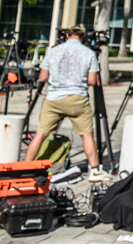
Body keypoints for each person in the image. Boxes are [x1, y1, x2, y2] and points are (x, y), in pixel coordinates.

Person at [24, 24, 111, 182]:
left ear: (67, 35)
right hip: (77, 98)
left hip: (54, 98)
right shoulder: (89, 53)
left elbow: (42, 77)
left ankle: (25, 167)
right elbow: (92, 81)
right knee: (87, 136)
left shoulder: (54, 51)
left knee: (40, 134)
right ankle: (95, 171)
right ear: (83, 36)